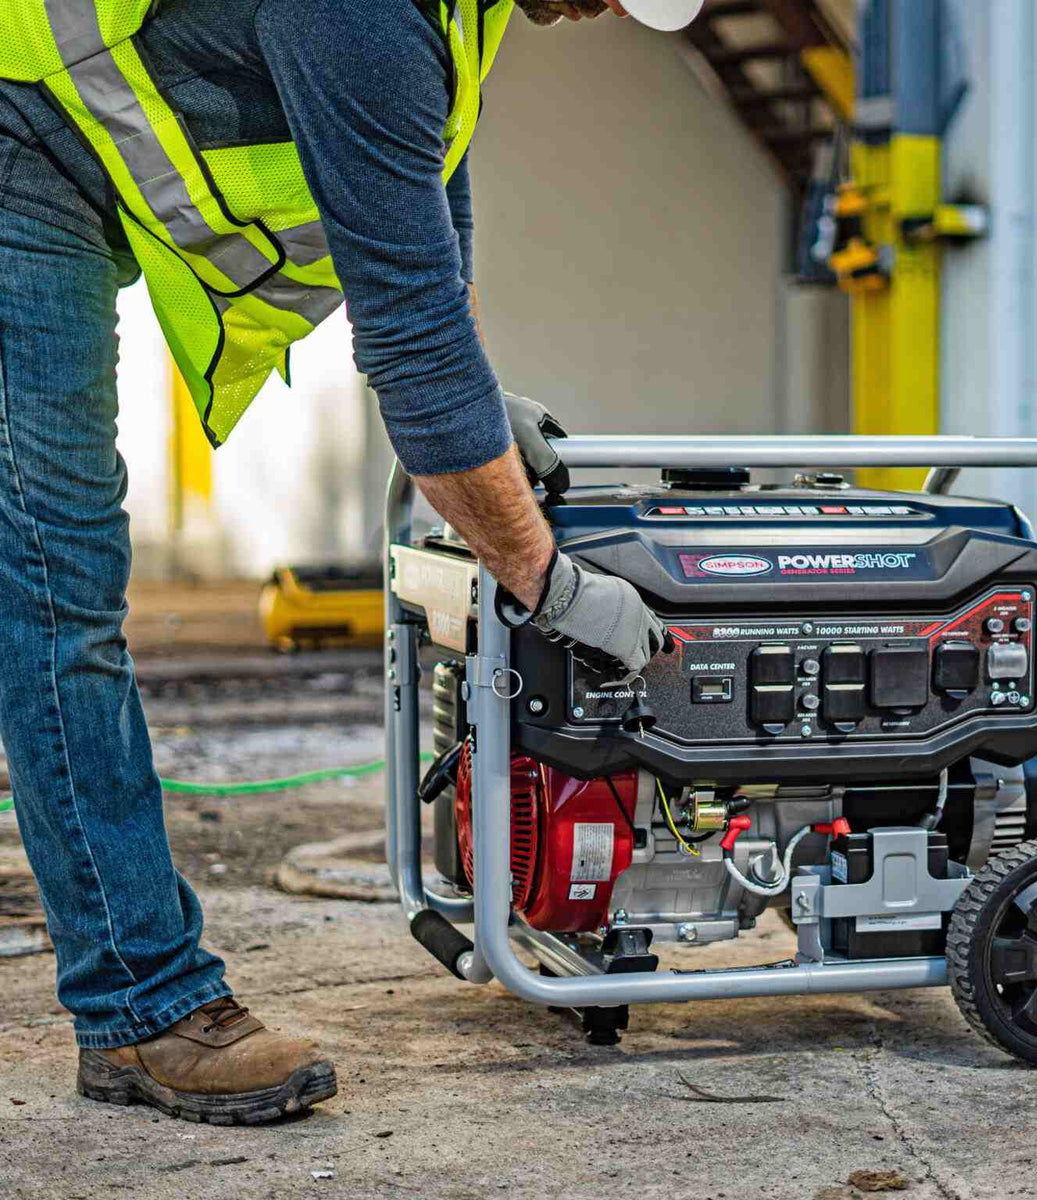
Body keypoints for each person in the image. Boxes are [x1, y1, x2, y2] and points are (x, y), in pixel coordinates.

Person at [0, 0, 700, 1125]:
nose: (605, 12)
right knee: (53, 581)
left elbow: (429, 225)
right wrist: (551, 583)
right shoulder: (362, 13)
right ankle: (139, 1007)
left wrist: (485, 410)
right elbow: (412, 348)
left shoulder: (456, 17)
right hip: (18, 141)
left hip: (70, 155)